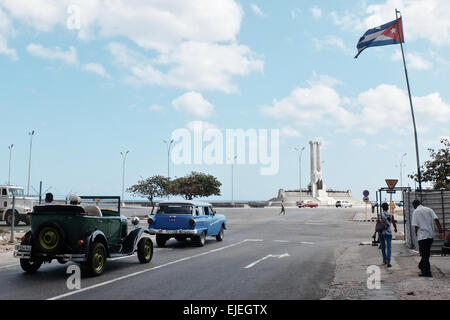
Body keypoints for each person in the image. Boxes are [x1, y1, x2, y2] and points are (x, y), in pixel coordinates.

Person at [411, 199, 443, 277]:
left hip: (422, 237)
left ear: (414, 205)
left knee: (424, 255)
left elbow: (416, 226)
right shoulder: (429, 209)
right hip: (430, 236)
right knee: (426, 254)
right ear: (420, 203)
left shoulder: (415, 212)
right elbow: (436, 220)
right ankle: (422, 267)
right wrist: (440, 232)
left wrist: (416, 235)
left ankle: (426, 272)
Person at [377, 202, 397, 268]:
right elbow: (393, 222)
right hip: (388, 233)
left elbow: (378, 223)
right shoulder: (390, 215)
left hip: (381, 232)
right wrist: (395, 228)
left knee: (383, 247)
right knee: (389, 247)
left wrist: (375, 232)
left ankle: (384, 260)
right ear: (387, 207)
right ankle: (388, 261)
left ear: (382, 208)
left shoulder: (379, 214)